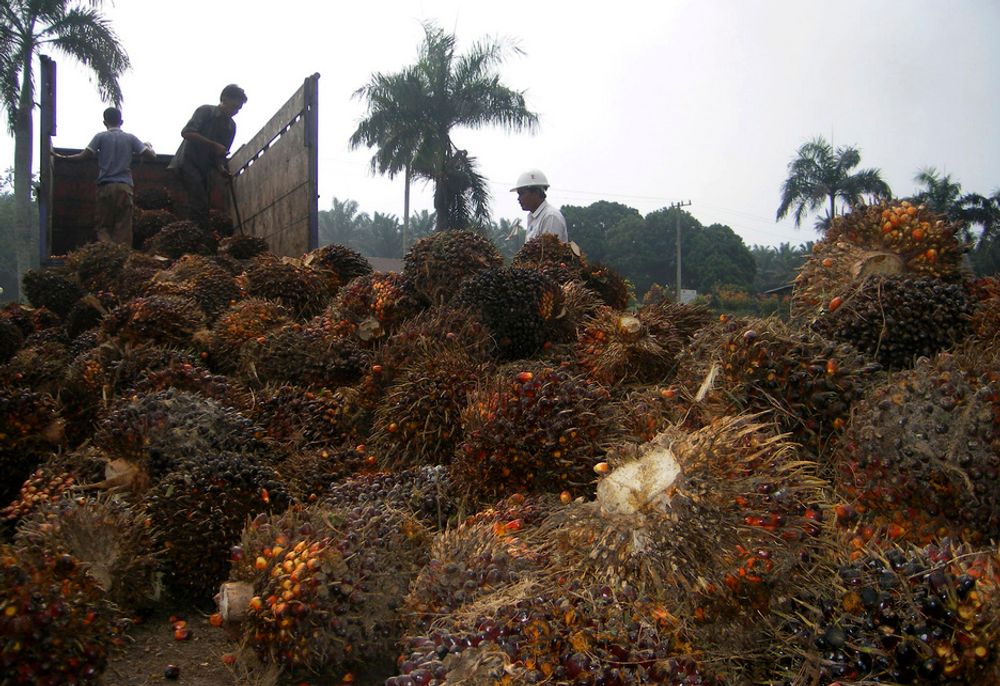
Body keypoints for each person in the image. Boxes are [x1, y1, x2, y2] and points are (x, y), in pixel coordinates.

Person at [54, 107, 155, 247]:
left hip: (105, 188)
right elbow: (151, 156)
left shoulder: (100, 137)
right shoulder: (130, 138)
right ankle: (122, 257)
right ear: (122, 121)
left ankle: (107, 253)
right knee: (123, 226)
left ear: (104, 122)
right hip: (124, 188)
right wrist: (148, 146)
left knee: (103, 226)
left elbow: (83, 156)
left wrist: (62, 157)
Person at [167, 84, 247, 227]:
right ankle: (194, 235)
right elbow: (187, 133)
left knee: (203, 205)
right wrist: (213, 145)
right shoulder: (205, 111)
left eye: (239, 109)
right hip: (188, 162)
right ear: (224, 99)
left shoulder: (231, 127)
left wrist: (221, 169)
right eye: (234, 106)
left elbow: (219, 156)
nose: (236, 111)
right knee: (199, 202)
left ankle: (197, 233)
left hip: (205, 169)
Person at [510, 169, 568, 242]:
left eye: (522, 193)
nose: (518, 198)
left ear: (536, 193)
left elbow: (549, 251)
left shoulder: (550, 217)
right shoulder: (532, 217)